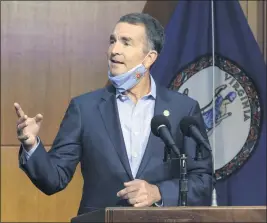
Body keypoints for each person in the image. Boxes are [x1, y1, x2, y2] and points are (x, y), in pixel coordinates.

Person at [15, 13, 215, 215]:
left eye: (126, 43)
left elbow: (202, 181)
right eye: (113, 41)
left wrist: (158, 192)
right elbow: (54, 179)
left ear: (149, 58)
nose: (114, 50)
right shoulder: (85, 108)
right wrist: (31, 145)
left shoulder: (183, 109)